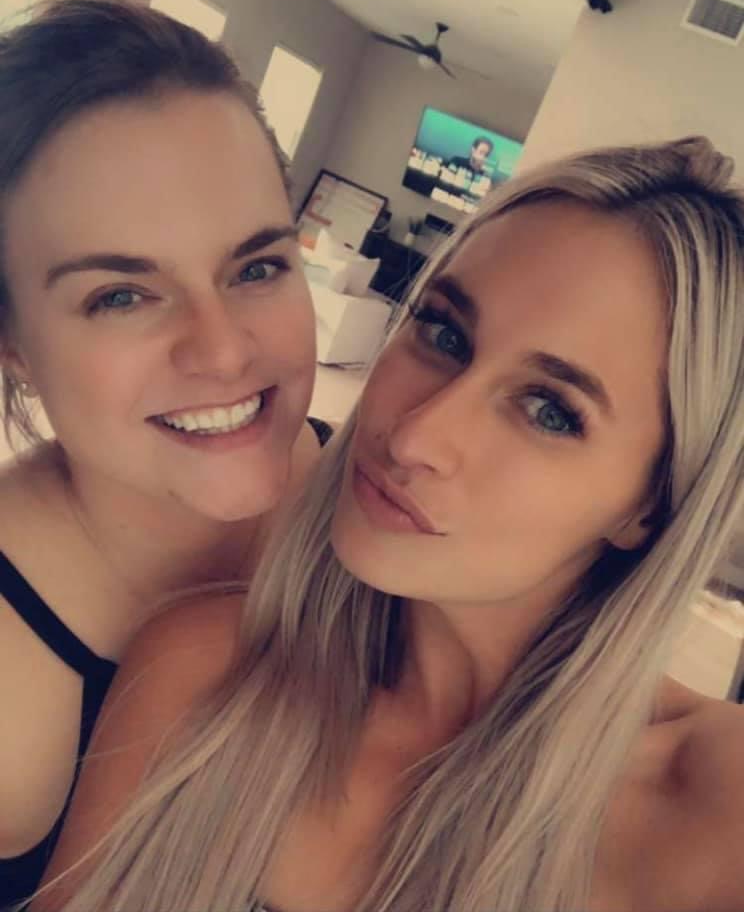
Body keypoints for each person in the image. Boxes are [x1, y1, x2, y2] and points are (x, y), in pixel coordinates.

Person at [35, 137, 744, 912]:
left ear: (652, 506)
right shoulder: (206, 676)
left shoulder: (714, 815)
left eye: (549, 410)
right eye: (443, 334)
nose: (413, 437)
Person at [0, 0, 329, 908]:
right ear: (14, 344)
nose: (222, 352)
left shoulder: (400, 504)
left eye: (257, 267)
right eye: (120, 296)